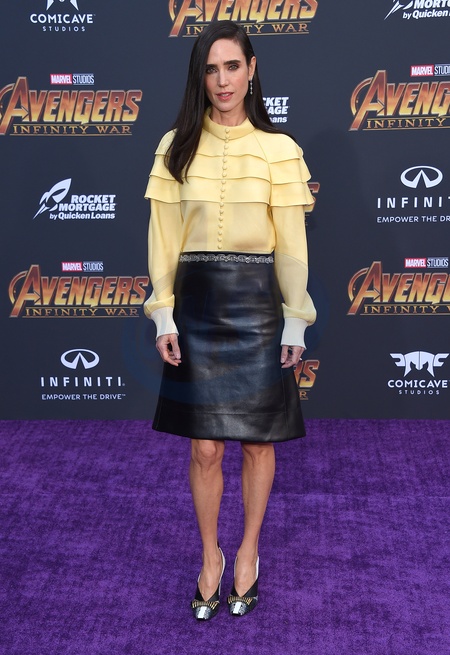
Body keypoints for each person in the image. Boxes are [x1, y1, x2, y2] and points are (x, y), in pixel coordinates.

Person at [144, 20, 316, 620]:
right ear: (201, 76)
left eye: (233, 67)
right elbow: (163, 241)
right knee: (205, 449)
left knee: (258, 445)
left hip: (258, 309)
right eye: (212, 69)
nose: (223, 81)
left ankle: (248, 553)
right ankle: (209, 557)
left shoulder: (279, 150)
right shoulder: (174, 148)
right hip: (195, 309)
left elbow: (291, 245)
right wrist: (163, 314)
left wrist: (295, 318)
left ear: (252, 70)